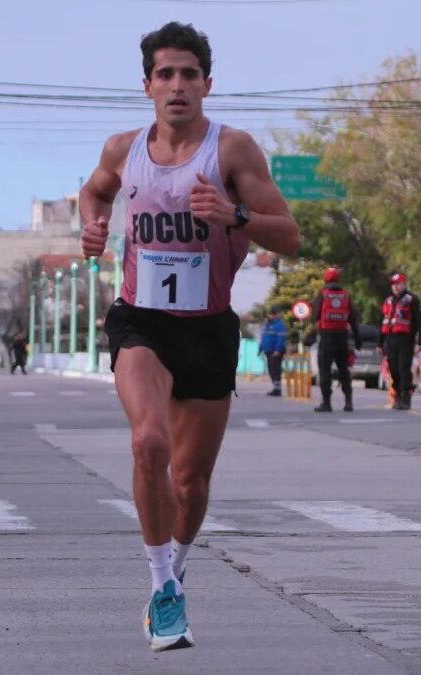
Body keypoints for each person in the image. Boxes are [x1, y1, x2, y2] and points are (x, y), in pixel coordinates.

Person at [79, 21, 300, 652]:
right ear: (147, 84)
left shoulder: (232, 151)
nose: (178, 86)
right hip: (140, 320)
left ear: (207, 83)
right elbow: (93, 194)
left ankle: (176, 565)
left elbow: (289, 233)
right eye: (166, 74)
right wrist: (93, 229)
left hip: (208, 326)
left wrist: (234, 215)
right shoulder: (124, 149)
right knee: (148, 442)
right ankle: (161, 589)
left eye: (189, 74)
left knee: (189, 481)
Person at [311, 267, 360, 412]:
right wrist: (357, 340)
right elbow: (353, 319)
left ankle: (326, 403)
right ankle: (348, 402)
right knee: (343, 370)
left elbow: (315, 316)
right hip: (342, 337)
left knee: (325, 370)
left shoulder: (323, 294)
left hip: (326, 337)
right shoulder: (346, 296)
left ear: (325, 279)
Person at [378, 272, 421, 411]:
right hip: (391, 340)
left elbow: (420, 322)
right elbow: (382, 322)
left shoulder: (412, 300)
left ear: (404, 284)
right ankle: (397, 396)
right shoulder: (388, 301)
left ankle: (406, 397)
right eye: (394, 285)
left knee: (404, 370)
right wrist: (379, 343)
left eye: (398, 284)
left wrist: (420, 341)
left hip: (406, 340)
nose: (396, 287)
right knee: (394, 370)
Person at [258, 307, 286, 396]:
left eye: (275, 314)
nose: (273, 316)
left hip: (276, 351)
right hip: (268, 350)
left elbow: (281, 339)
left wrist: (277, 350)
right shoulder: (267, 325)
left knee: (275, 370)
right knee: (271, 370)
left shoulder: (280, 325)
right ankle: (275, 388)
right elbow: (263, 338)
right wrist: (260, 349)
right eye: (271, 314)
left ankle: (278, 389)